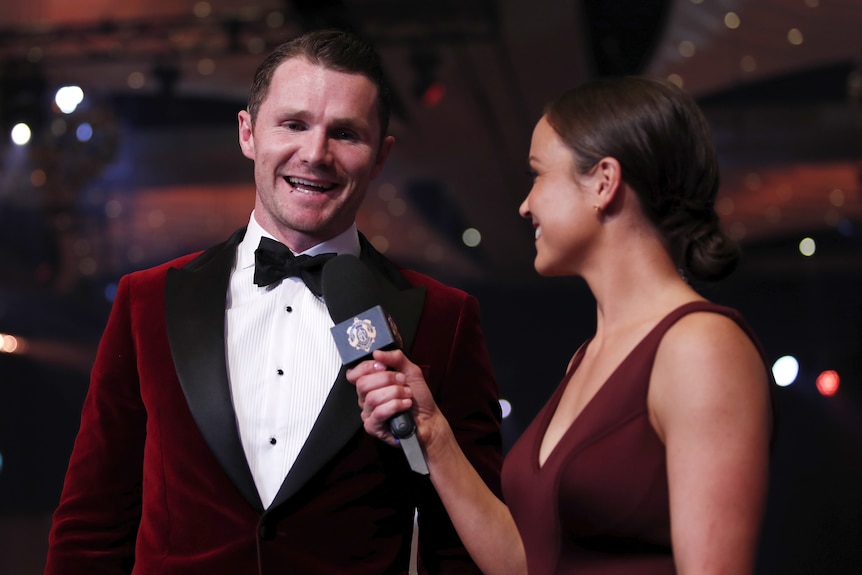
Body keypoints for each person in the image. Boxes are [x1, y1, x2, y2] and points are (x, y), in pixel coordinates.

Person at [45, 29, 503, 575]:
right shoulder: (147, 300)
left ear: (380, 156)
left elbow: (462, 545)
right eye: (293, 124)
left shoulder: (444, 318)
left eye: (346, 134)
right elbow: (93, 522)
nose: (315, 154)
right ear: (248, 133)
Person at [348, 76, 773, 575]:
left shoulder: (701, 346)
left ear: (603, 182)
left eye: (538, 174)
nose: (526, 204)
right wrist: (433, 434)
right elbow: (531, 565)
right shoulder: (586, 356)